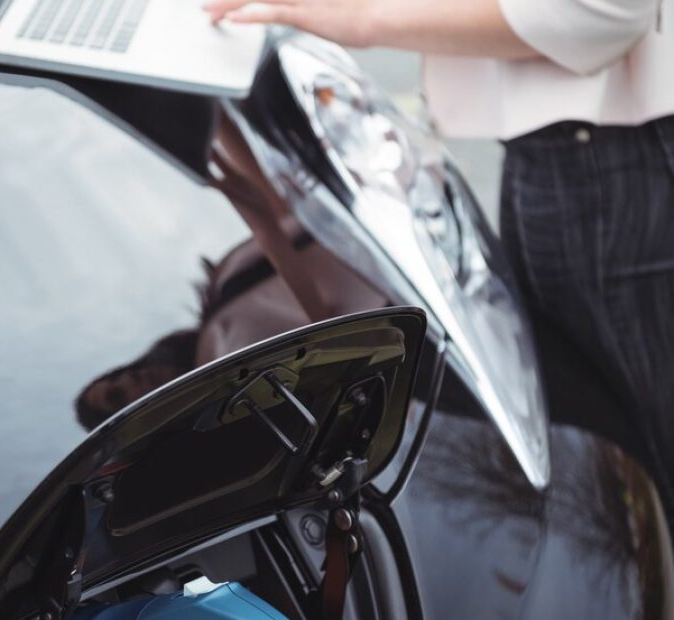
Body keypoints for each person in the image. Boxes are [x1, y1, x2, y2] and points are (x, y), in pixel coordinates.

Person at [203, 0, 674, 526]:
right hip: (575, 159)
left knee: (647, 455)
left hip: (619, 167)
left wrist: (366, 16)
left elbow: (601, 11)